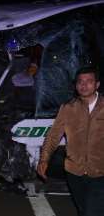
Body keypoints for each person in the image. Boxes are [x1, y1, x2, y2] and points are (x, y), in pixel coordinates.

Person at [37, 67, 104, 216]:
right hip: (74, 172)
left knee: (92, 212)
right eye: (80, 81)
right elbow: (53, 136)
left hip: (100, 172)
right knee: (83, 210)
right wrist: (44, 159)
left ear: (97, 85)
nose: (84, 85)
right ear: (76, 85)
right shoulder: (68, 108)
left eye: (89, 81)